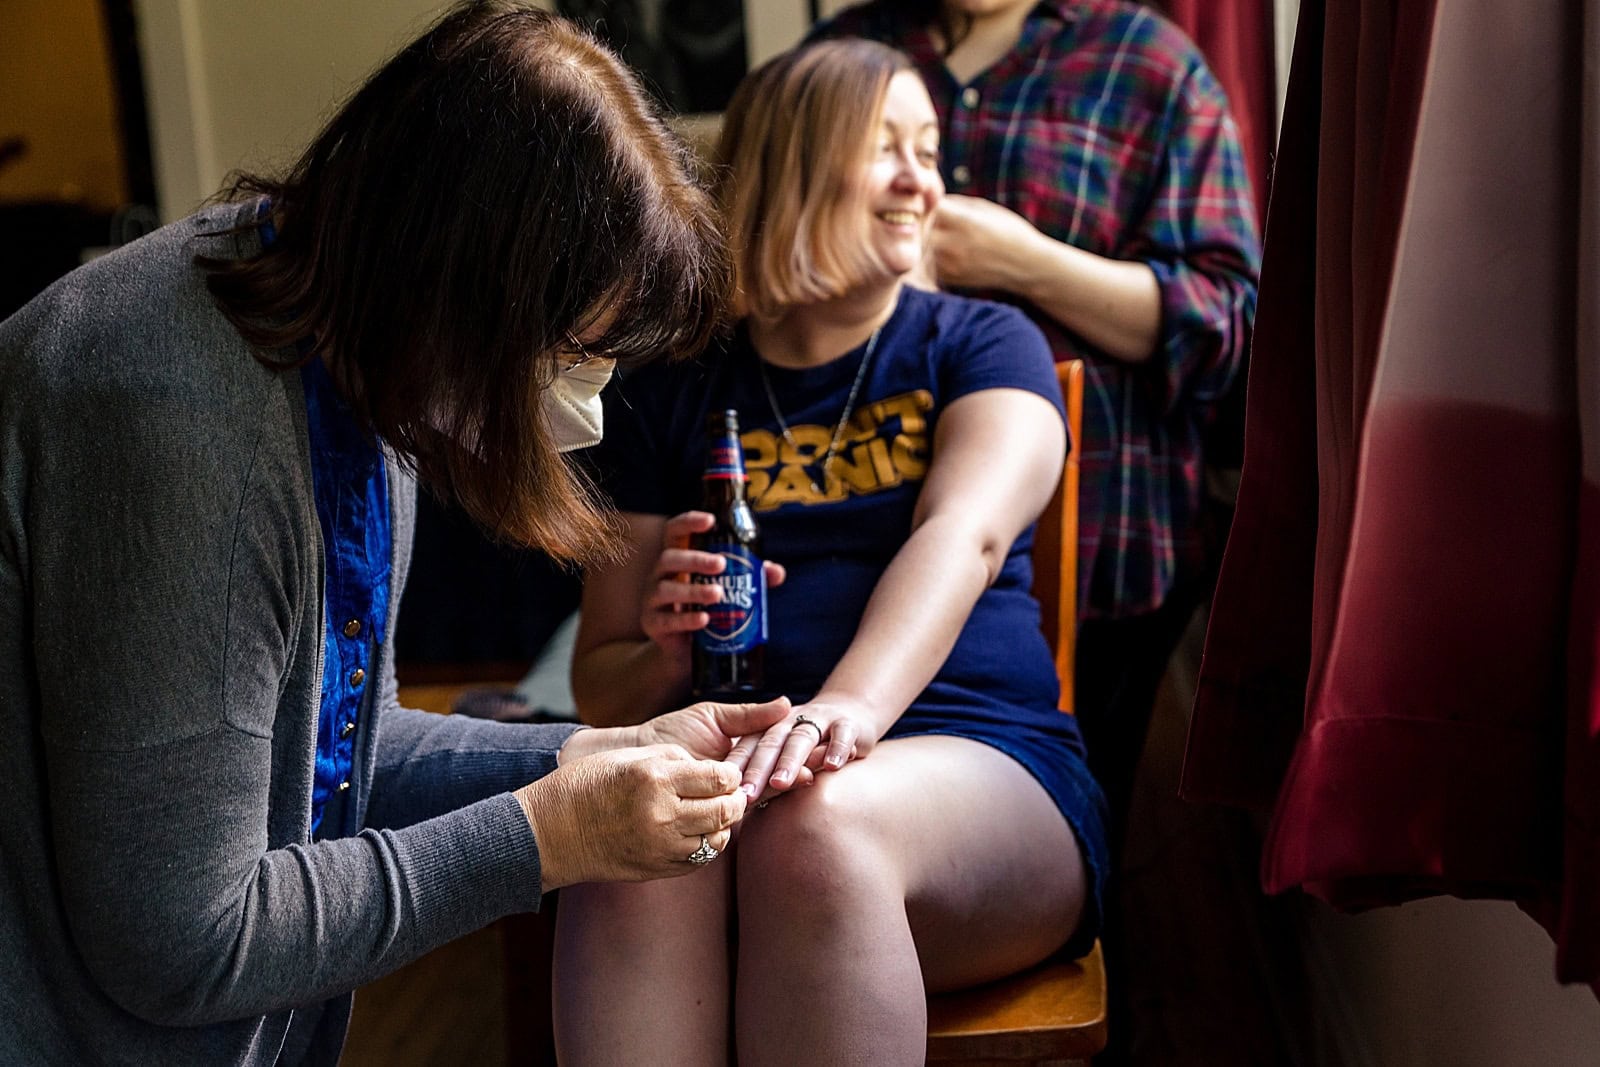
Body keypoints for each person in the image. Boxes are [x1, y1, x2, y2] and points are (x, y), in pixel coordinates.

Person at [0, 5, 796, 1063]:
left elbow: (335, 753)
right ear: (465, 284)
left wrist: (592, 753)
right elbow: (186, 938)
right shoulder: (181, 420)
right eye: (574, 352)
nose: (587, 404)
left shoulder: (362, 362)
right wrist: (552, 836)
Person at [552, 40, 1109, 1065]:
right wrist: (668, 653)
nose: (921, 180)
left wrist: (840, 715)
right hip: (736, 787)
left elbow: (966, 536)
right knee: (632, 831)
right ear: (793, 167)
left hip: (974, 777)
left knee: (815, 826)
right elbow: (602, 682)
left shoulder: (984, 344)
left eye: (928, 149)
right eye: (885, 147)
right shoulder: (666, 392)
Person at [809, 0, 1262, 852]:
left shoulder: (1149, 63)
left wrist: (1026, 260)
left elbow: (1225, 329)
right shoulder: (841, 55)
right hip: (851, 528)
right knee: (848, 811)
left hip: (1102, 541)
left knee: (1070, 827)